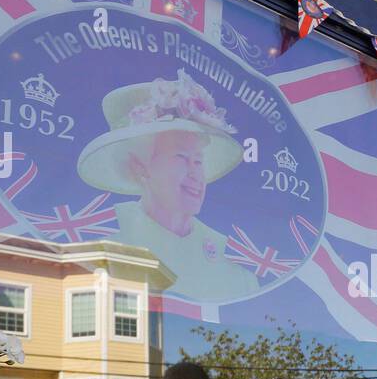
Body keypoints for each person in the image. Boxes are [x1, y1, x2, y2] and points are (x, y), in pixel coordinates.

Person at [78, 70, 258, 303]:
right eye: (181, 157)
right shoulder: (100, 262)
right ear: (139, 167)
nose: (195, 174)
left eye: (199, 160)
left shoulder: (240, 282)